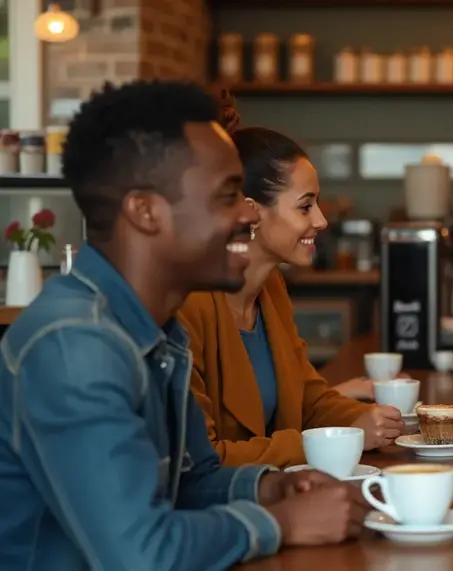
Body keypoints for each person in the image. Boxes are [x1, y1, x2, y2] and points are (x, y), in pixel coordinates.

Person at [0, 81, 367, 569]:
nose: (246, 213)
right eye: (227, 195)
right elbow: (139, 552)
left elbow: (191, 482)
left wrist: (273, 486)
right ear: (146, 212)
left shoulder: (159, 331)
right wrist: (283, 522)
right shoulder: (76, 345)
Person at [177, 98, 403, 468]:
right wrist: (337, 442)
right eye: (305, 206)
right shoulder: (189, 304)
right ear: (251, 211)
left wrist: (368, 420)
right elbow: (203, 457)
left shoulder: (271, 288)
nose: (321, 221)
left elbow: (308, 398)